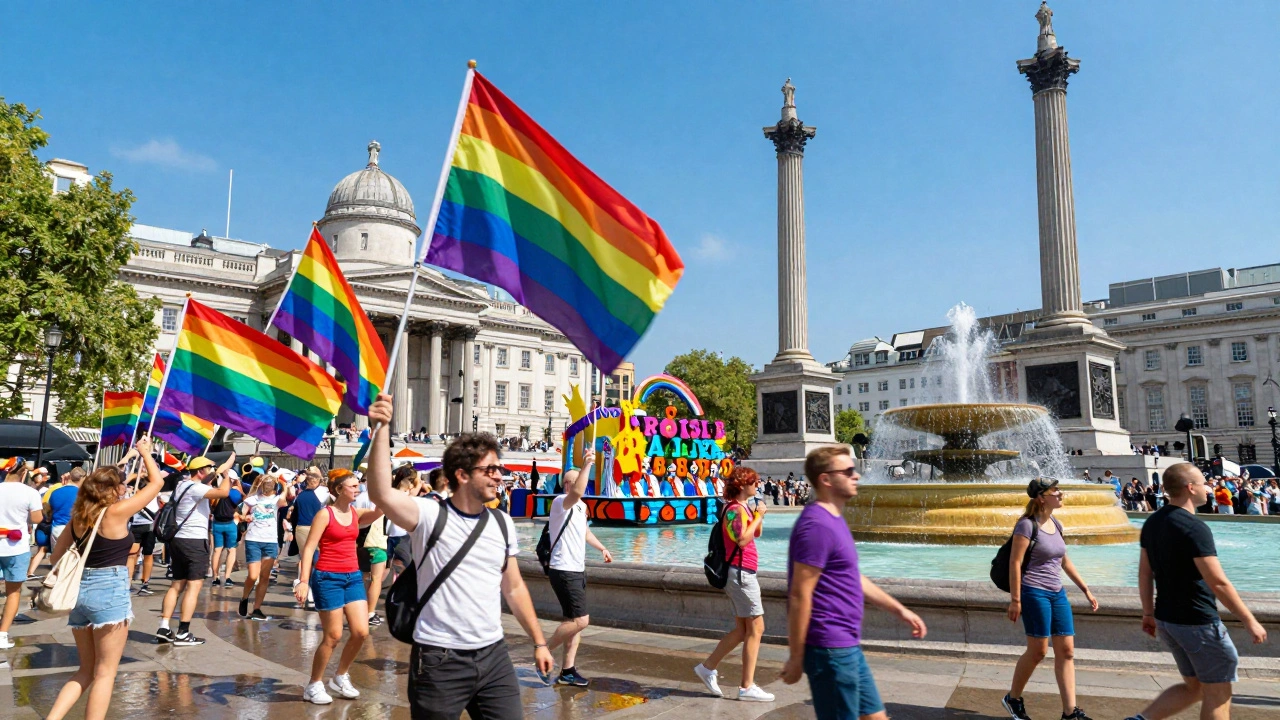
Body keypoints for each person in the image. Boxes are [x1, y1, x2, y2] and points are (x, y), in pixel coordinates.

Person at [366, 393, 553, 719]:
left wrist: (539, 641)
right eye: (491, 469)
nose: (499, 475)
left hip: (494, 655)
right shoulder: (428, 515)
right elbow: (381, 493)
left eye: (500, 468)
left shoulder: (501, 521)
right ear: (463, 475)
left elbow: (514, 587)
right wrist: (381, 429)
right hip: (440, 659)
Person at [780, 446, 927, 720]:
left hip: (846, 644)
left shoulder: (834, 519)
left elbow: (852, 577)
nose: (856, 475)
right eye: (847, 471)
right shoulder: (817, 526)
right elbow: (800, 595)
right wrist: (797, 657)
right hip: (829, 647)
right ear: (826, 479)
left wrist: (900, 611)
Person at [1125, 463, 1269, 720]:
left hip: (1168, 619)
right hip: (1198, 621)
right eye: (1203, 483)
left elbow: (1145, 573)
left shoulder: (1153, 522)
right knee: (1218, 693)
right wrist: (1250, 620)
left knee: (1196, 687)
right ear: (1190, 488)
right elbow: (1218, 582)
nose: (1207, 488)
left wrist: (1148, 613)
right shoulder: (1194, 527)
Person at [44, 437, 164, 720]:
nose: (125, 488)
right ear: (113, 489)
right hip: (109, 588)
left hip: (78, 593)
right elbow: (156, 484)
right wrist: (145, 452)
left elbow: (55, 557)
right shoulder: (116, 512)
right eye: (121, 484)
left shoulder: (79, 516)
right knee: (105, 673)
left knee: (85, 670)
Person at [1001, 478, 1098, 720]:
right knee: (1038, 652)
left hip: (1057, 593)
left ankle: (1070, 712)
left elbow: (1063, 560)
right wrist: (1016, 600)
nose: (1061, 493)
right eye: (1055, 491)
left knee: (1066, 651)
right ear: (1042, 497)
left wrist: (1085, 588)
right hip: (1034, 591)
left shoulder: (1056, 523)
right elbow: (1015, 562)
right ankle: (1012, 698)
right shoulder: (1026, 525)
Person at [295, 469, 382, 704]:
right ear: (338, 489)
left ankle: (340, 676)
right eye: (353, 486)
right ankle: (314, 684)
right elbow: (309, 547)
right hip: (327, 577)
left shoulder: (356, 513)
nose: (358, 489)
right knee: (333, 635)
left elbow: (379, 511)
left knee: (361, 632)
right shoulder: (325, 514)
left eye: (358, 485)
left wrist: (382, 486)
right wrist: (304, 581)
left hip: (352, 576)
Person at [694, 466, 773, 702]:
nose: (757, 485)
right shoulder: (734, 511)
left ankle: (707, 668)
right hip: (741, 575)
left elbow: (755, 534)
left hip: (742, 573)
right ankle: (746, 686)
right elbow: (741, 540)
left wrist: (759, 515)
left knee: (742, 630)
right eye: (753, 481)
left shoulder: (742, 508)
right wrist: (757, 515)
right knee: (756, 629)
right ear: (742, 485)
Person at [542, 448, 614, 687]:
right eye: (577, 483)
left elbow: (585, 532)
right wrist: (588, 464)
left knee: (573, 622)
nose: (584, 488)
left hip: (576, 568)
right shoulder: (561, 502)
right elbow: (579, 490)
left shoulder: (581, 507)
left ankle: (568, 671)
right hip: (563, 569)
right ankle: (542, 652)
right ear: (568, 485)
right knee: (582, 620)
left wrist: (602, 548)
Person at [155, 453, 236, 646]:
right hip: (194, 541)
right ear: (200, 471)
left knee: (177, 585)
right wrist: (226, 476)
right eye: (207, 469)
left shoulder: (183, 484)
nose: (210, 472)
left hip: (178, 540)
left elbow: (205, 479)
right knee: (194, 586)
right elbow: (224, 493)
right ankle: (183, 632)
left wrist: (217, 469)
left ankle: (164, 626)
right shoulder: (197, 489)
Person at [0, 460, 42, 649]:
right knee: (13, 592)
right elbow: (37, 518)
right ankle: (2, 634)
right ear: (24, 473)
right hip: (16, 547)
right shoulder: (30, 492)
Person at [237, 470, 287, 620]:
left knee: (265, 576)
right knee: (253, 575)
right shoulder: (252, 499)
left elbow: (284, 499)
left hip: (270, 540)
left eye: (271, 483)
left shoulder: (277, 500)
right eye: (266, 483)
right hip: (254, 540)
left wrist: (283, 483)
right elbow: (239, 514)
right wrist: (245, 518)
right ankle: (245, 597)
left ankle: (257, 608)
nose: (268, 485)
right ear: (261, 484)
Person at [209, 471, 244, 588]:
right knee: (231, 550)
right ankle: (227, 577)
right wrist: (238, 486)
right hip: (230, 524)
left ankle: (215, 577)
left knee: (217, 550)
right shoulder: (234, 493)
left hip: (216, 523)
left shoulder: (215, 492)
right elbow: (242, 499)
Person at [46, 467, 84, 546]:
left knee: (56, 557)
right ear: (82, 478)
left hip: (56, 529)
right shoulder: (82, 494)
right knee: (72, 557)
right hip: (73, 530)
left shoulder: (55, 492)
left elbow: (48, 512)